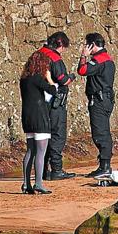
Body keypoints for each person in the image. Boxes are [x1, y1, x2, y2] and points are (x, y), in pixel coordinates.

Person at [38, 32, 77, 181]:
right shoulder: (54, 58)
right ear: (60, 44)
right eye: (64, 47)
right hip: (55, 103)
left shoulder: (37, 55)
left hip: (39, 101)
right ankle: (57, 169)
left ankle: (42, 170)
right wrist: (72, 76)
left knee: (43, 135)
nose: (64, 51)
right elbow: (63, 80)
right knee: (57, 135)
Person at [77, 32, 116, 178]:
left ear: (92, 45)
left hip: (99, 100)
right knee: (103, 130)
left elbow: (82, 70)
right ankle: (104, 164)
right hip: (105, 99)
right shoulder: (108, 60)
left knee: (100, 132)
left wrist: (83, 56)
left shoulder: (99, 60)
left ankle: (105, 166)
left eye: (87, 44)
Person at [19, 51, 58, 194]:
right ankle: (39, 183)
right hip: (39, 117)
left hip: (27, 118)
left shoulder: (24, 78)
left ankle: (26, 183)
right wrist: (49, 79)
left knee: (30, 151)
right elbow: (52, 90)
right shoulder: (37, 78)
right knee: (41, 152)